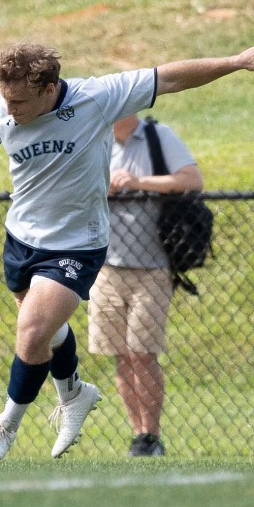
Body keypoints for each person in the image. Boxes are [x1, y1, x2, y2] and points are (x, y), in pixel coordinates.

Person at [0, 34, 254, 461]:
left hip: (77, 243)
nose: (10, 110)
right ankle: (74, 393)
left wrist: (235, 60)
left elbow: (170, 78)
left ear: (48, 90)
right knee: (43, 328)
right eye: (6, 101)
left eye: (20, 103)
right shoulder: (4, 105)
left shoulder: (96, 97)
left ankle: (7, 423)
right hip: (21, 237)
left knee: (32, 332)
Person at [92, 112, 201, 457]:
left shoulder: (158, 136)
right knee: (121, 356)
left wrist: (138, 182)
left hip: (152, 267)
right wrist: (101, 186)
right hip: (104, 266)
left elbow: (192, 180)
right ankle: (137, 434)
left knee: (143, 353)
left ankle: (152, 436)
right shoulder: (94, 140)